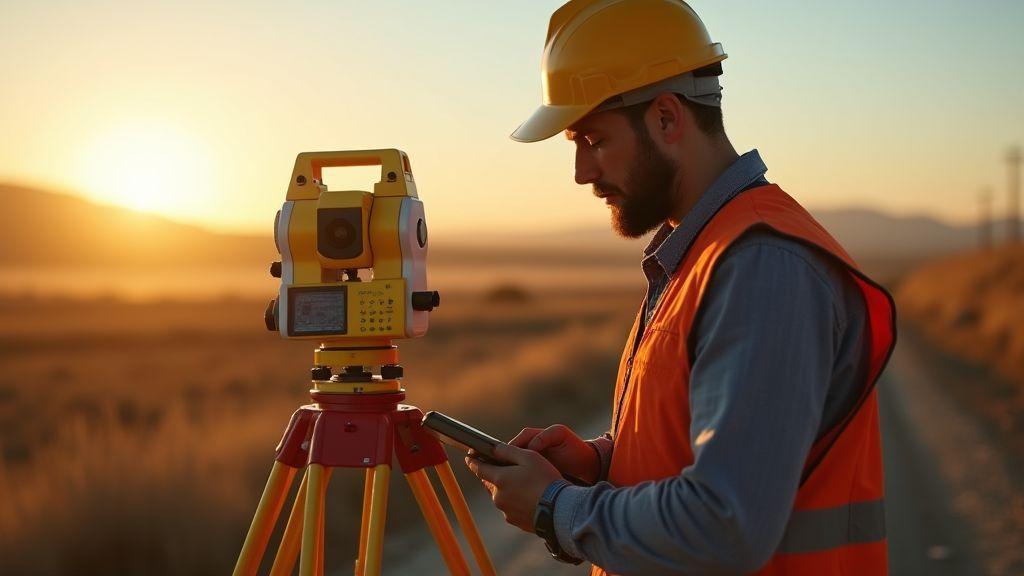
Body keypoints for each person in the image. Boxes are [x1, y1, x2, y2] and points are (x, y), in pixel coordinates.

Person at [464, 1, 897, 574]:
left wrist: (555, 507)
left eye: (593, 139)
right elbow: (709, 446)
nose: (581, 172)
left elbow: (726, 522)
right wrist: (602, 462)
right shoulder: (703, 252)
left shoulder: (760, 266)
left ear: (667, 119)